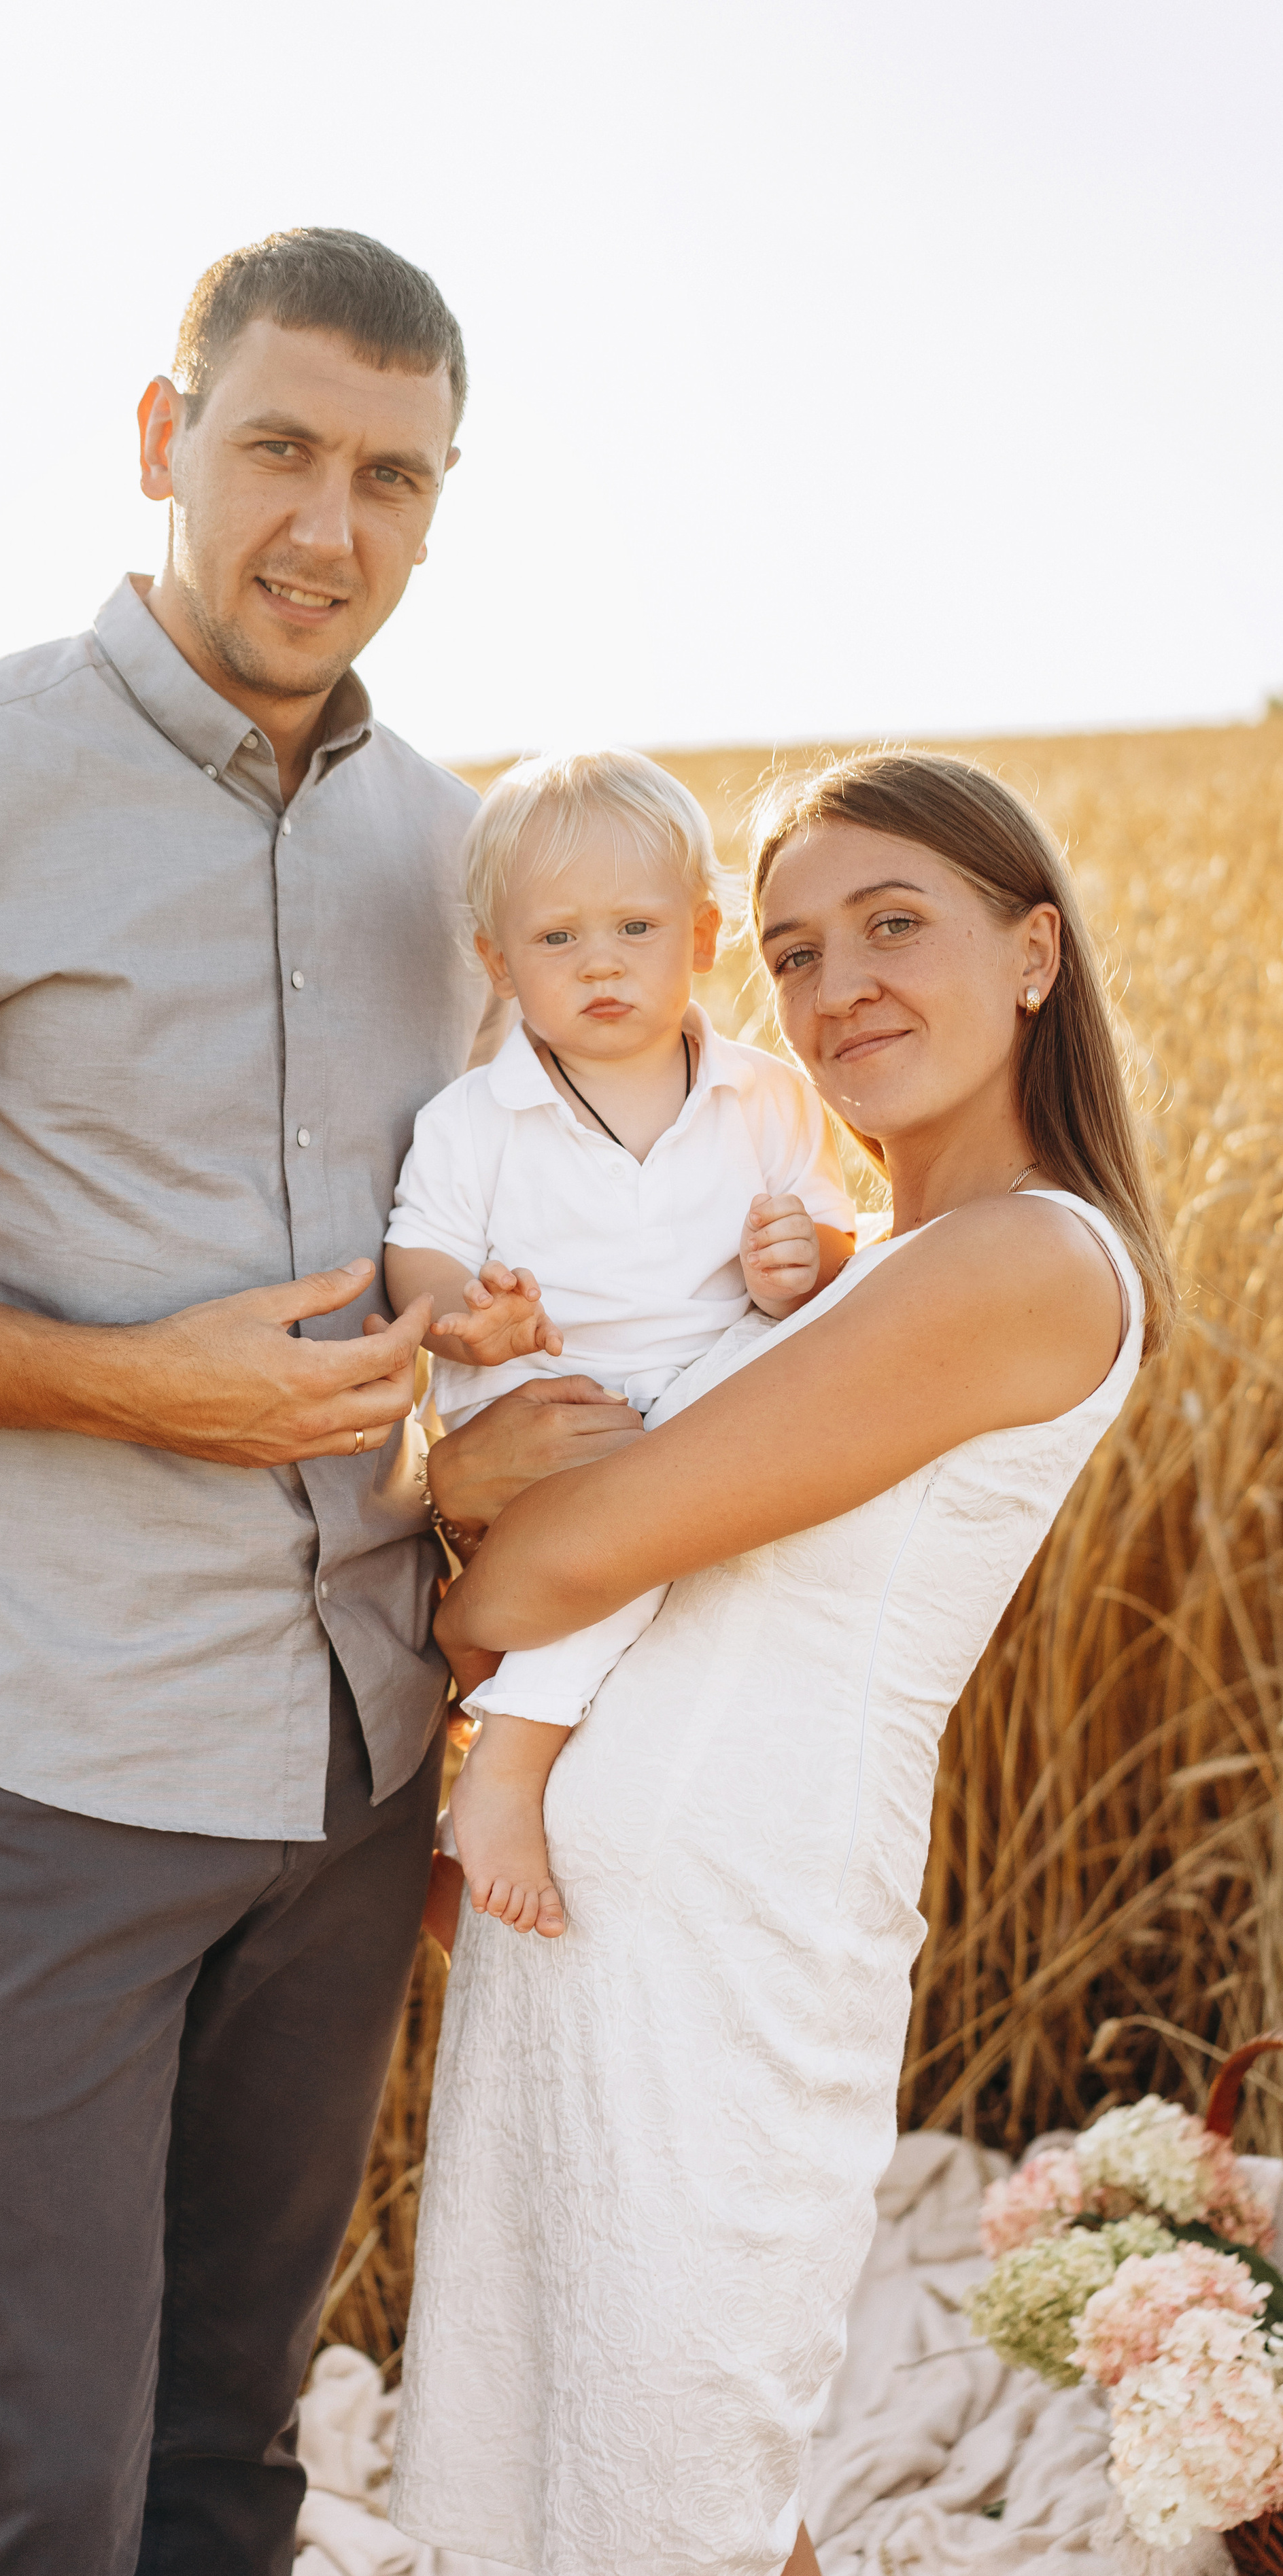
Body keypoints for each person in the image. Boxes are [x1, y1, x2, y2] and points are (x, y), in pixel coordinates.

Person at [0, 226, 643, 2576]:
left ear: (442, 499)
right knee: (36, 2488)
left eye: (394, 475)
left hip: (354, 1757)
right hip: (42, 1757)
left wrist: (491, 1433)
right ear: (158, 435)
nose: (331, 523)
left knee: (233, 2463)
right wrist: (133, 1390)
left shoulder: (456, 855)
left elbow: (490, 1230)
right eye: (280, 446)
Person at [390, 750, 1178, 2576]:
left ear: (1035, 952)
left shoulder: (1022, 1262)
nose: (840, 994)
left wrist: (460, 1561)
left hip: (741, 1912)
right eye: (798, 952)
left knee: (685, 2468)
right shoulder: (847, 1264)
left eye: (896, 928)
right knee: (589, 2443)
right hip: (607, 1904)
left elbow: (572, 1552)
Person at [384, 748, 854, 1937]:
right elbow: (421, 1254)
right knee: (614, 1541)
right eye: (556, 940)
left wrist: (802, 1261)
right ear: (497, 964)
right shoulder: (472, 1121)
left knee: (699, 1545)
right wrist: (464, 1320)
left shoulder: (767, 1098)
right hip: (560, 1410)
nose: (599, 961)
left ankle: (506, 1735)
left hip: (713, 1397)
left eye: (635, 927)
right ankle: (503, 1774)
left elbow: (834, 1235)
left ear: (701, 938)